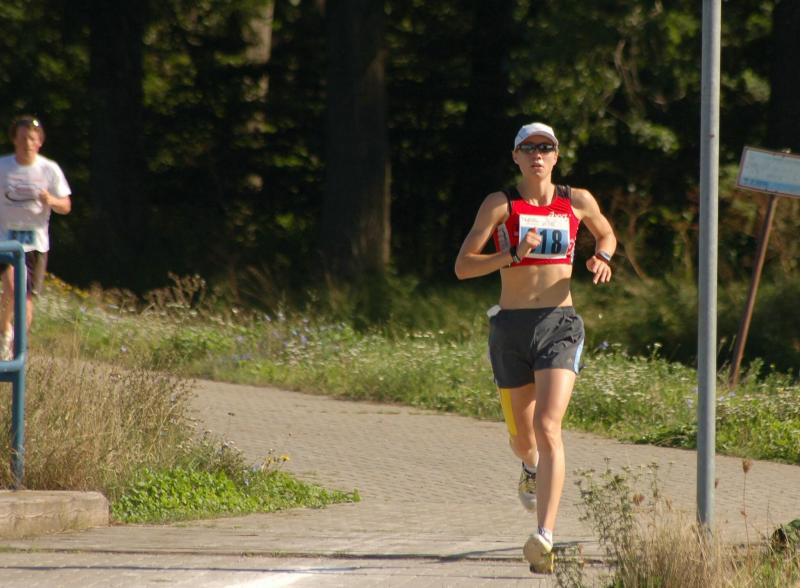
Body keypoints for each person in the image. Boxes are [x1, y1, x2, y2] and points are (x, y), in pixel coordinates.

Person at [454, 122, 616, 574]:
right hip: (510, 327)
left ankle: (544, 536)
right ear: (516, 157)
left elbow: (606, 233)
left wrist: (602, 256)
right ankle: (530, 467)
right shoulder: (500, 204)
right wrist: (511, 255)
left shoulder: (576, 200)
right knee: (524, 440)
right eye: (528, 149)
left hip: (559, 324)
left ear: (556, 156)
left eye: (546, 148)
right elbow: (463, 267)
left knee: (548, 425)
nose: (537, 155)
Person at [0, 115, 72, 359]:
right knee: (12, 289)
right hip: (5, 240)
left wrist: (50, 200)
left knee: (26, 298)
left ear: (40, 142)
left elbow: (66, 205)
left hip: (35, 244)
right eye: (22, 138)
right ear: (14, 140)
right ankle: (4, 330)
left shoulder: (49, 169)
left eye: (32, 139)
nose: (27, 144)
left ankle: (18, 350)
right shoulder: (3, 167)